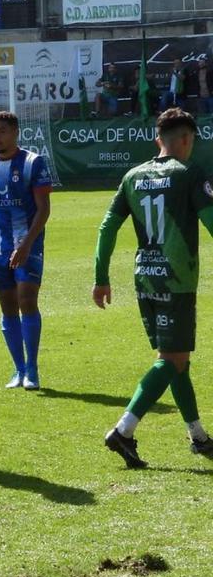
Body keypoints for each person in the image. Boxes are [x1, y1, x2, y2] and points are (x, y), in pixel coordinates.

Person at [95, 108, 213, 468]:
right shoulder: (190, 173)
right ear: (187, 140)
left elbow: (107, 227)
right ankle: (123, 430)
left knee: (177, 359)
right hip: (176, 280)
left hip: (145, 278)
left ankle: (199, 436)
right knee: (171, 359)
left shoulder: (133, 176)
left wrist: (101, 277)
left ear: (157, 139)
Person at [0, 111, 53, 390]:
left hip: (28, 245)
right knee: (7, 308)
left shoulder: (32, 162)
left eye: (2, 131)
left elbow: (43, 209)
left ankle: (33, 369)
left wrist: (26, 244)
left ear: (16, 133)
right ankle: (18, 369)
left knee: (27, 300)